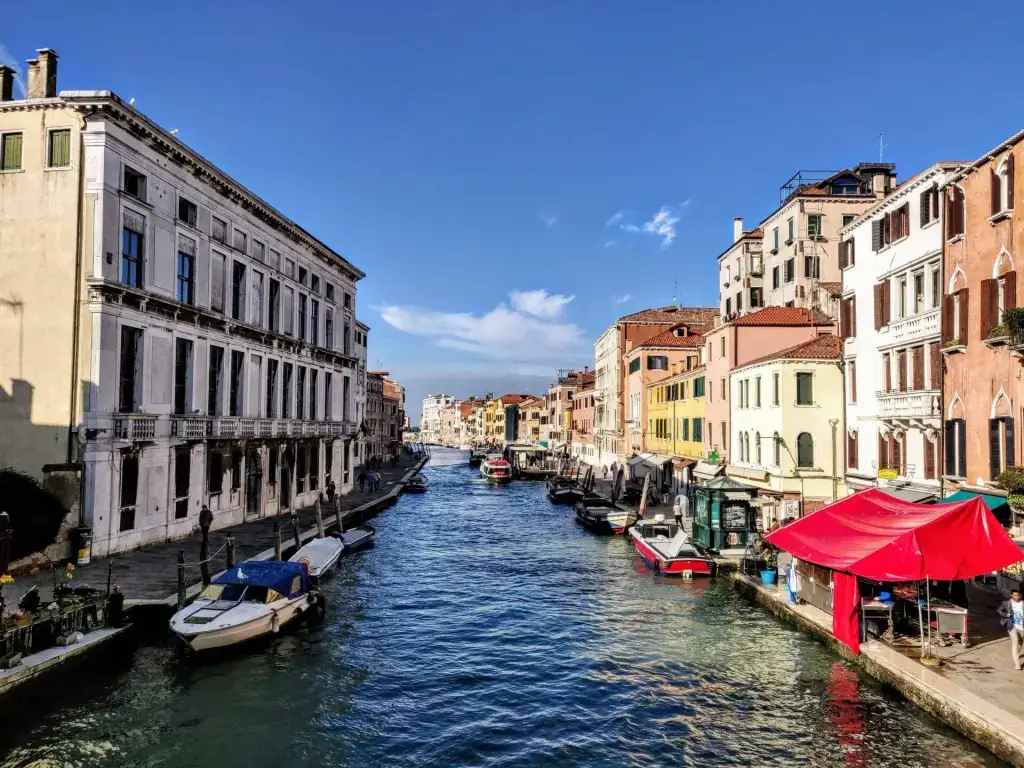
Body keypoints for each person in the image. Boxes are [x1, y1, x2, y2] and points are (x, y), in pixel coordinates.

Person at [997, 587, 1024, 670]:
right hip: (1012, 626)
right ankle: (1017, 664)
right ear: (1011, 595)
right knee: (1015, 643)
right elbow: (999, 610)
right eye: (1015, 595)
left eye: (1018, 595)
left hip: (1022, 626)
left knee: (1021, 642)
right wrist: (1006, 615)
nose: (1017, 597)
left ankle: (1016, 653)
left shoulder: (1023, 603)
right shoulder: (1007, 603)